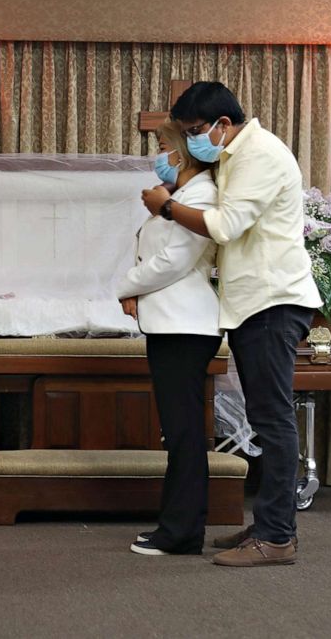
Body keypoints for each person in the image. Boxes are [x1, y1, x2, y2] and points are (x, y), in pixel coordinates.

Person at [140, 81, 322, 567]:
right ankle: (268, 525)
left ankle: (277, 537)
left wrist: (164, 205)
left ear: (224, 123)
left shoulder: (259, 154)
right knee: (267, 417)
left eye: (196, 131)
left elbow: (224, 226)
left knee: (272, 419)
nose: (193, 141)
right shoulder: (235, 154)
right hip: (252, 304)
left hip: (272, 302)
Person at [117, 120, 221, 557]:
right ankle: (179, 529)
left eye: (162, 146)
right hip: (173, 323)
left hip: (186, 325)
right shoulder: (179, 198)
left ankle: (180, 533)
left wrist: (127, 286)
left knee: (183, 434)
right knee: (178, 433)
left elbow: (175, 260)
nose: (157, 155)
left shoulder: (199, 196)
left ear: (181, 153)